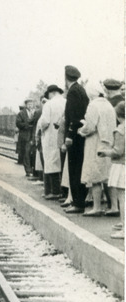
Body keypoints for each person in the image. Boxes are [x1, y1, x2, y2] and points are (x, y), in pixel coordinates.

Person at [78, 82, 116, 216]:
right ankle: (114, 207)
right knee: (107, 176)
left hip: (96, 142)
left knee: (95, 175)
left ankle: (97, 207)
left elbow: (90, 127)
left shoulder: (93, 105)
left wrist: (81, 130)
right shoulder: (108, 104)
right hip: (109, 142)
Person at [62, 65, 90, 214]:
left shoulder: (72, 92)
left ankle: (78, 203)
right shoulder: (81, 90)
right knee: (79, 167)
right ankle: (79, 200)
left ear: (66, 78)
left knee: (74, 169)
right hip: (81, 136)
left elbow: (74, 117)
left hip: (75, 137)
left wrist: (69, 136)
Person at [99, 101, 124, 236]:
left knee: (123, 197)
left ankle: (124, 228)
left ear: (118, 115)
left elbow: (118, 151)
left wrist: (105, 152)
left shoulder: (120, 130)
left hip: (121, 166)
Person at [37, 85, 65, 200]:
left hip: (50, 137)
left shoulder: (49, 104)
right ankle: (64, 192)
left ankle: (54, 191)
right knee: (62, 164)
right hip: (63, 136)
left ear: (51, 93)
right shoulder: (66, 101)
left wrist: (40, 130)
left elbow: (45, 122)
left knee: (51, 163)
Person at [16, 99, 37, 177]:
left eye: (31, 104)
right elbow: (18, 123)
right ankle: (28, 171)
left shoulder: (35, 113)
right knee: (26, 153)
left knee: (32, 153)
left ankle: (33, 170)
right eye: (28, 104)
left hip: (33, 135)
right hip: (25, 136)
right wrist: (27, 125)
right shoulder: (21, 113)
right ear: (26, 105)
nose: (30, 106)